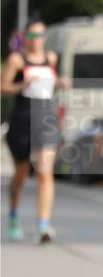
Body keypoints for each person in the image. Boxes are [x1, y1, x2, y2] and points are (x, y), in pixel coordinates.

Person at [1, 16, 62, 242]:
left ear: (45, 37)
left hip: (46, 119)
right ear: (25, 37)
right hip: (21, 121)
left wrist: (59, 83)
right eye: (32, 35)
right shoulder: (17, 60)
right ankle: (14, 215)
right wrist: (21, 85)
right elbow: (2, 87)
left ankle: (43, 224)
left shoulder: (51, 58)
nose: (36, 40)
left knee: (45, 171)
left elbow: (51, 85)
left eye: (40, 35)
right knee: (22, 173)